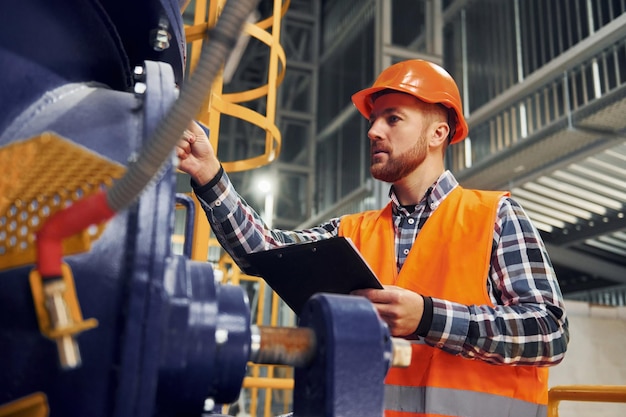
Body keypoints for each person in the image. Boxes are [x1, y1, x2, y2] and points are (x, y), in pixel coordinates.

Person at [176, 59, 569, 417]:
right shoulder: (351, 232)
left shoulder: (495, 217)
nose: (373, 130)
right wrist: (210, 176)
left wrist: (427, 317)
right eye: (374, 119)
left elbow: (549, 332)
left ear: (438, 134)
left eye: (392, 119)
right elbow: (265, 252)